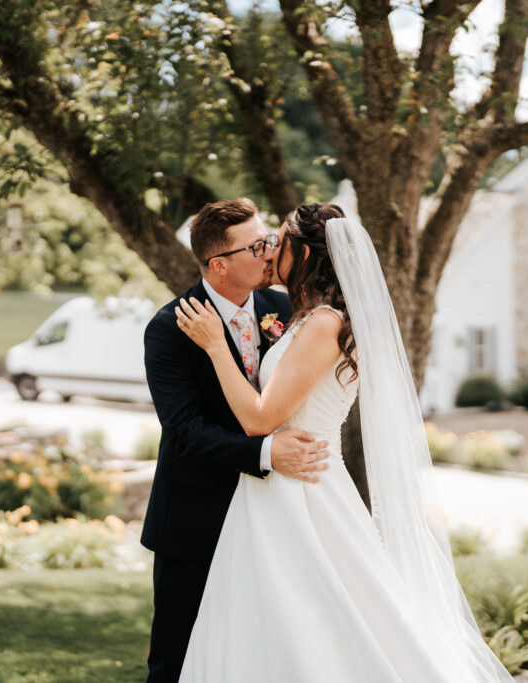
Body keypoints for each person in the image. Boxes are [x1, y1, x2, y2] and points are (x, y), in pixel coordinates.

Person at [174, 203, 515, 682]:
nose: (269, 250)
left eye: (278, 242)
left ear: (304, 254)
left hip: (304, 490)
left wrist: (215, 346)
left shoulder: (323, 324)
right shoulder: (306, 317)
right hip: (278, 484)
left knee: (320, 619)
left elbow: (259, 419)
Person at [141, 198, 334, 683]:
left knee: (256, 655)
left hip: (274, 515)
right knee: (177, 657)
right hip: (196, 518)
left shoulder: (286, 309)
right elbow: (184, 432)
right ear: (218, 264)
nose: (269, 252)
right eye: (256, 246)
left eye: (268, 240)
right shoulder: (170, 327)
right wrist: (266, 453)